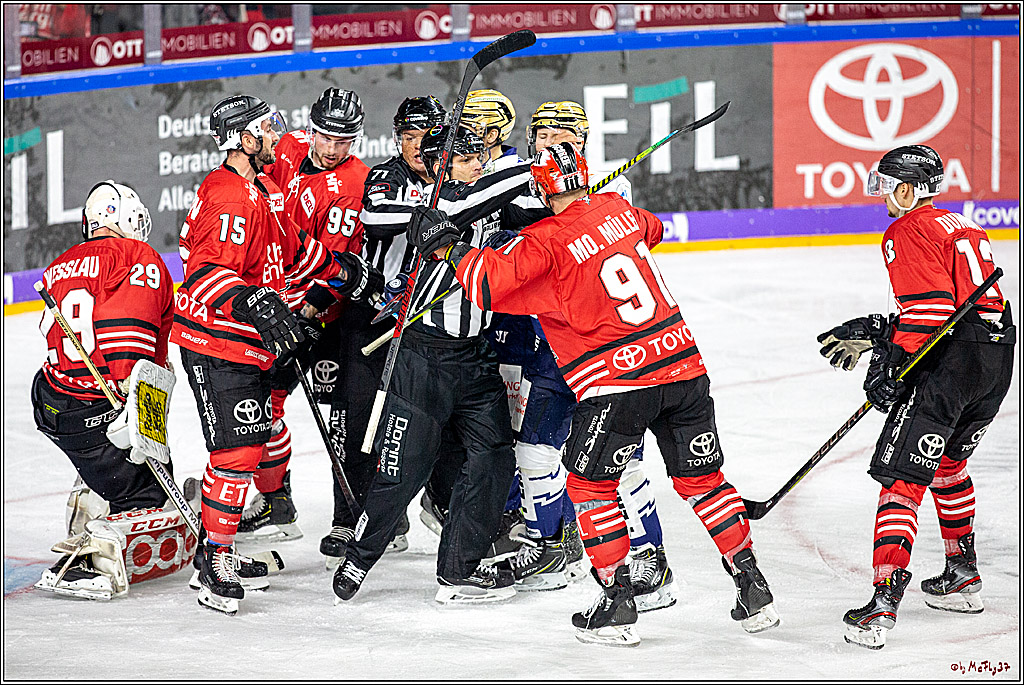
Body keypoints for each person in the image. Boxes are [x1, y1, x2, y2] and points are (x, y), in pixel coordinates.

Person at [407, 142, 780, 645]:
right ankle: (752, 584)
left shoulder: (543, 241)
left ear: (541, 190)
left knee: (589, 488)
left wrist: (446, 247)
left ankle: (617, 601)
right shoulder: (619, 209)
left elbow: (486, 284)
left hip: (619, 383)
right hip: (684, 368)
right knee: (704, 483)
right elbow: (653, 229)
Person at [173, 94, 377, 614]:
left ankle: (222, 544)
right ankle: (214, 559)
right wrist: (257, 302)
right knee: (237, 452)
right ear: (244, 139)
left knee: (252, 442)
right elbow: (203, 272)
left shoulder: (261, 189)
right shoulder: (230, 195)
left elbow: (292, 250)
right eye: (266, 129)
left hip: (248, 343)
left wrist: (344, 271)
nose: (277, 136)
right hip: (217, 341)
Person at [468, 99, 675, 604]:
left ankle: (651, 555)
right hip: (548, 343)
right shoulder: (526, 183)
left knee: (618, 460)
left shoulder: (609, 193)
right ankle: (550, 546)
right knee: (534, 448)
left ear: (581, 141)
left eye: (561, 134)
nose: (549, 142)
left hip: (605, 349)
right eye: (541, 134)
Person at [333, 123, 546, 605]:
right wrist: (535, 166)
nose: (478, 165)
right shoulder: (438, 206)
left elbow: (538, 210)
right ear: (440, 167)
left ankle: (458, 568)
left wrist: (568, 189)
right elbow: (475, 200)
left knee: (493, 458)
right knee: (403, 471)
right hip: (423, 358)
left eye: (480, 158)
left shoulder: (487, 195)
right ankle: (360, 556)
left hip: (475, 357)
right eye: (467, 159)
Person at [816, 145, 1016, 650]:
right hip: (995, 358)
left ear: (907, 190)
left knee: (902, 480)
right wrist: (885, 334)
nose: (883, 196)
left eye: (888, 186)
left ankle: (882, 606)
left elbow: (929, 315)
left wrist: (892, 365)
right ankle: (962, 575)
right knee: (948, 465)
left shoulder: (905, 230)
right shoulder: (962, 225)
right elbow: (958, 306)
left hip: (951, 366)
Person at [31, 181, 195, 600]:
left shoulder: (60, 264)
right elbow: (129, 342)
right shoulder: (139, 257)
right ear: (123, 218)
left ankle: (95, 487)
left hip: (52, 401)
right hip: (101, 407)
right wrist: (130, 402)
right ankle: (91, 558)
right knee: (151, 497)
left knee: (122, 461)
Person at [235, 88, 374, 549]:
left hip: (323, 317)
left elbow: (343, 262)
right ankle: (276, 501)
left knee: (344, 420)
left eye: (343, 140)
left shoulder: (355, 184)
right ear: (310, 129)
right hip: (275, 300)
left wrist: (311, 308)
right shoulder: (288, 147)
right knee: (264, 404)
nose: (332, 149)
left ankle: (358, 516)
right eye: (326, 137)